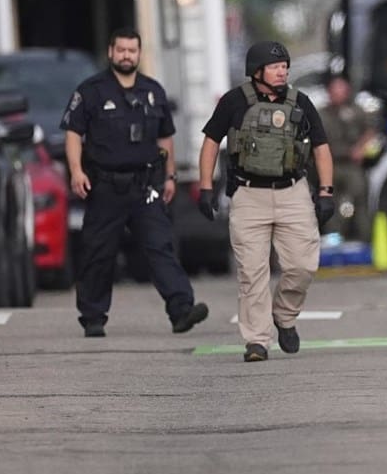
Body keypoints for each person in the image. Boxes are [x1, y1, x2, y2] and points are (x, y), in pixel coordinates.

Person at [60, 28, 208, 338]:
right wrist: (76, 171)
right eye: (121, 50)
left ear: (140, 53)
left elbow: (165, 137)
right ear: (110, 52)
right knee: (98, 253)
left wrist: (169, 175)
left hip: (145, 185)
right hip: (105, 186)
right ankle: (93, 317)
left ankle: (181, 309)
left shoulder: (153, 91)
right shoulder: (91, 91)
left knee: (160, 247)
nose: (127, 55)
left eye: (132, 50)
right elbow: (74, 133)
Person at [196, 41, 334, 363]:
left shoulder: (301, 102)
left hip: (293, 192)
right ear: (256, 72)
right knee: (252, 272)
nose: (282, 70)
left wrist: (326, 191)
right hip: (248, 195)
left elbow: (321, 146)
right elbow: (211, 142)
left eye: (284, 65)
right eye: (275, 66)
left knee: (302, 265)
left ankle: (284, 316)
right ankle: (257, 340)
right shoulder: (234, 102)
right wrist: (205, 188)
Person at [319, 76, 377, 242]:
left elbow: (371, 131)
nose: (339, 93)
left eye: (342, 89)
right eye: (335, 90)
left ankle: (364, 238)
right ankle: (333, 239)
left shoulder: (356, 111)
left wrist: (361, 148)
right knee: (331, 203)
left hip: (352, 165)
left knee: (359, 197)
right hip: (330, 165)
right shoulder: (322, 115)